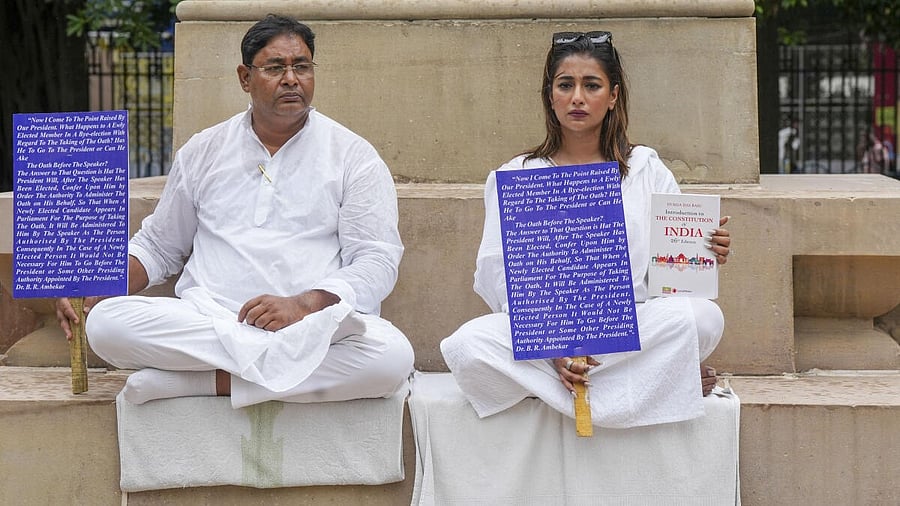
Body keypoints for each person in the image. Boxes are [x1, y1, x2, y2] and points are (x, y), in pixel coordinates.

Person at [55, 15, 414, 408]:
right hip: (210, 320)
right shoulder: (204, 150)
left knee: (391, 357)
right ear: (245, 78)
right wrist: (99, 283)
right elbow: (160, 245)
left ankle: (200, 384)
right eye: (275, 67)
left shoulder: (353, 156)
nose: (292, 78)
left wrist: (302, 305)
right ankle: (259, 376)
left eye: (302, 66)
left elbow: (377, 260)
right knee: (107, 324)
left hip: (307, 327)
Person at [440, 31, 732, 428]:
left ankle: (569, 386)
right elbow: (499, 276)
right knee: (466, 346)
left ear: (612, 96)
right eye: (566, 85)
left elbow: (670, 278)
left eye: (591, 85)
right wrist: (552, 345)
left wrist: (703, 249)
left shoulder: (645, 170)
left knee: (702, 318)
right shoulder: (519, 174)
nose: (577, 97)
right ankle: (663, 381)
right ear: (550, 95)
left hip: (631, 323)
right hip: (546, 330)